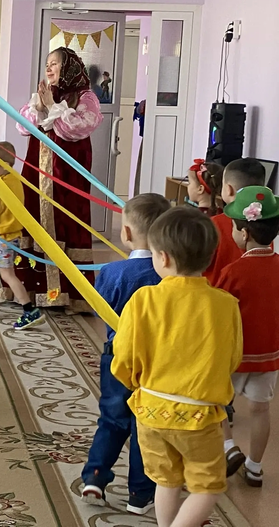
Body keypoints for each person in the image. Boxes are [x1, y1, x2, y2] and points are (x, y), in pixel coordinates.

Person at [111, 207, 242, 527]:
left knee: (166, 481)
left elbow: (124, 355)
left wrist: (134, 382)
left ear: (163, 258)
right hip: (199, 415)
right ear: (210, 257)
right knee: (207, 487)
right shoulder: (226, 304)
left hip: (150, 411)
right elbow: (233, 358)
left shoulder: (142, 299)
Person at [81, 193, 171, 515]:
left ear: (127, 232)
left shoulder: (111, 271)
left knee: (111, 419)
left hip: (116, 357)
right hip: (156, 363)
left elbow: (99, 310)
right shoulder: (169, 277)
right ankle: (140, 495)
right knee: (145, 425)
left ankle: (94, 478)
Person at [15, 47, 103, 313]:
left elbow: (76, 128)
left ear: (70, 67)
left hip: (66, 173)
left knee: (65, 219)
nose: (49, 68)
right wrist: (40, 108)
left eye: (55, 63)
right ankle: (32, 289)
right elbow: (22, 125)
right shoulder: (43, 94)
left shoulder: (86, 97)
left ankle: (67, 294)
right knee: (34, 216)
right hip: (36, 169)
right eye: (47, 64)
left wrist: (53, 107)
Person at [215, 186, 279, 488]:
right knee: (260, 409)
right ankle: (255, 467)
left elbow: (219, 312)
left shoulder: (233, 271)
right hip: (269, 355)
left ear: (244, 232)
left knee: (214, 401)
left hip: (233, 354)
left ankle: (228, 447)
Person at [0, 142, 44, 329]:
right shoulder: (13, 178)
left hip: (2, 236)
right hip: (8, 235)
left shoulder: (2, 185)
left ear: (4, 164)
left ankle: (29, 310)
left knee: (7, 274)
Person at [204, 158, 267, 285]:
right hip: (252, 291)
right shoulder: (265, 224)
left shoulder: (213, 225)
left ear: (228, 189)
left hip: (217, 291)